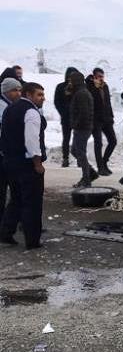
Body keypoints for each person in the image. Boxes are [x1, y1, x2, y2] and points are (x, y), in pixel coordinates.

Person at [0, 82, 47, 249]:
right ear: (28, 95)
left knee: (16, 199)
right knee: (32, 202)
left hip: (11, 162)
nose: (43, 98)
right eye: (39, 95)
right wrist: (37, 162)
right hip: (27, 164)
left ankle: (6, 232)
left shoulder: (10, 108)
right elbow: (31, 139)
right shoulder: (31, 112)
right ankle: (32, 240)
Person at [0, 78, 23, 225]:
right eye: (15, 90)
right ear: (6, 91)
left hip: (10, 154)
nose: (18, 93)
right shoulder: (2, 106)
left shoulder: (13, 105)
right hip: (3, 153)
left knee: (17, 190)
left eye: (20, 90)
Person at [68, 70, 96, 188]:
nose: (69, 82)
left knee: (80, 152)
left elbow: (83, 112)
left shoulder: (82, 93)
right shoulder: (80, 92)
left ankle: (86, 179)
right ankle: (90, 173)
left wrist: (76, 124)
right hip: (82, 127)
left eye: (71, 80)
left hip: (82, 128)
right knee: (75, 150)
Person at [86, 67, 116, 176]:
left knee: (113, 141)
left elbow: (108, 102)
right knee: (98, 143)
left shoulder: (105, 86)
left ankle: (104, 162)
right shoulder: (89, 86)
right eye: (99, 77)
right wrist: (94, 86)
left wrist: (111, 117)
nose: (101, 79)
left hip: (107, 119)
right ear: (94, 76)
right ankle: (100, 167)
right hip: (95, 120)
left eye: (102, 77)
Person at [54, 67, 79, 167]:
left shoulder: (79, 88)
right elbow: (57, 102)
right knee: (66, 138)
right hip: (66, 117)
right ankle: (65, 158)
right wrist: (63, 112)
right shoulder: (60, 87)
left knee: (78, 139)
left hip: (77, 117)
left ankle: (79, 158)